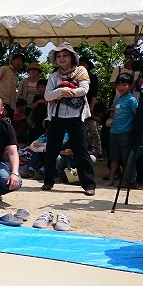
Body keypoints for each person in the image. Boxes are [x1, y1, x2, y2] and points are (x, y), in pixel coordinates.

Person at [41, 41, 96, 196]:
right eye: (58, 56)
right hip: (56, 116)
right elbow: (47, 95)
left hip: (76, 117)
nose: (62, 59)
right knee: (52, 150)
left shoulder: (81, 71)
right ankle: (48, 181)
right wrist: (61, 91)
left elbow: (84, 89)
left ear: (72, 57)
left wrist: (64, 92)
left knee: (81, 150)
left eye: (65, 55)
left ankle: (88, 184)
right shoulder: (53, 76)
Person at [106, 73, 138, 187]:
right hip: (114, 132)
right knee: (114, 158)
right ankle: (111, 179)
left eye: (124, 85)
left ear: (130, 86)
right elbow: (113, 114)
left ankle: (124, 181)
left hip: (125, 132)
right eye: (119, 85)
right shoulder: (117, 100)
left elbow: (136, 115)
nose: (121, 87)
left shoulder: (132, 99)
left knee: (126, 158)